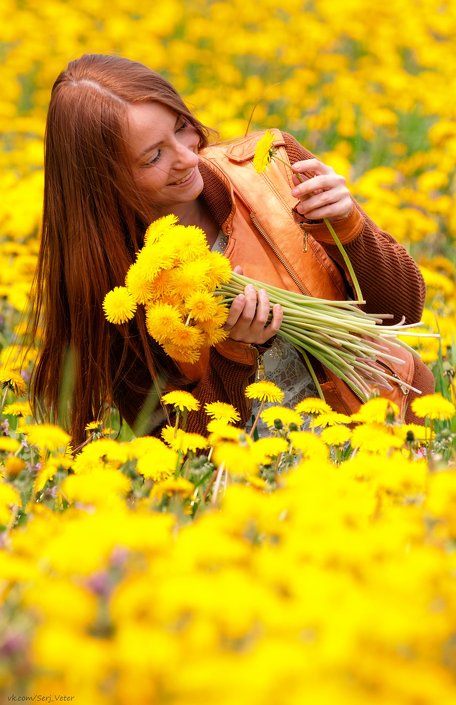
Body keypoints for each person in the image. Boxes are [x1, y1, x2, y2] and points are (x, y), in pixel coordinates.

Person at [30, 54, 434, 448]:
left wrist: (349, 229)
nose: (188, 155)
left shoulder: (271, 167)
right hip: (259, 481)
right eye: (154, 155)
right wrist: (232, 353)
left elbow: (403, 311)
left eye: (182, 126)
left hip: (390, 428)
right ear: (104, 182)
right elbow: (173, 445)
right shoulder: (115, 286)